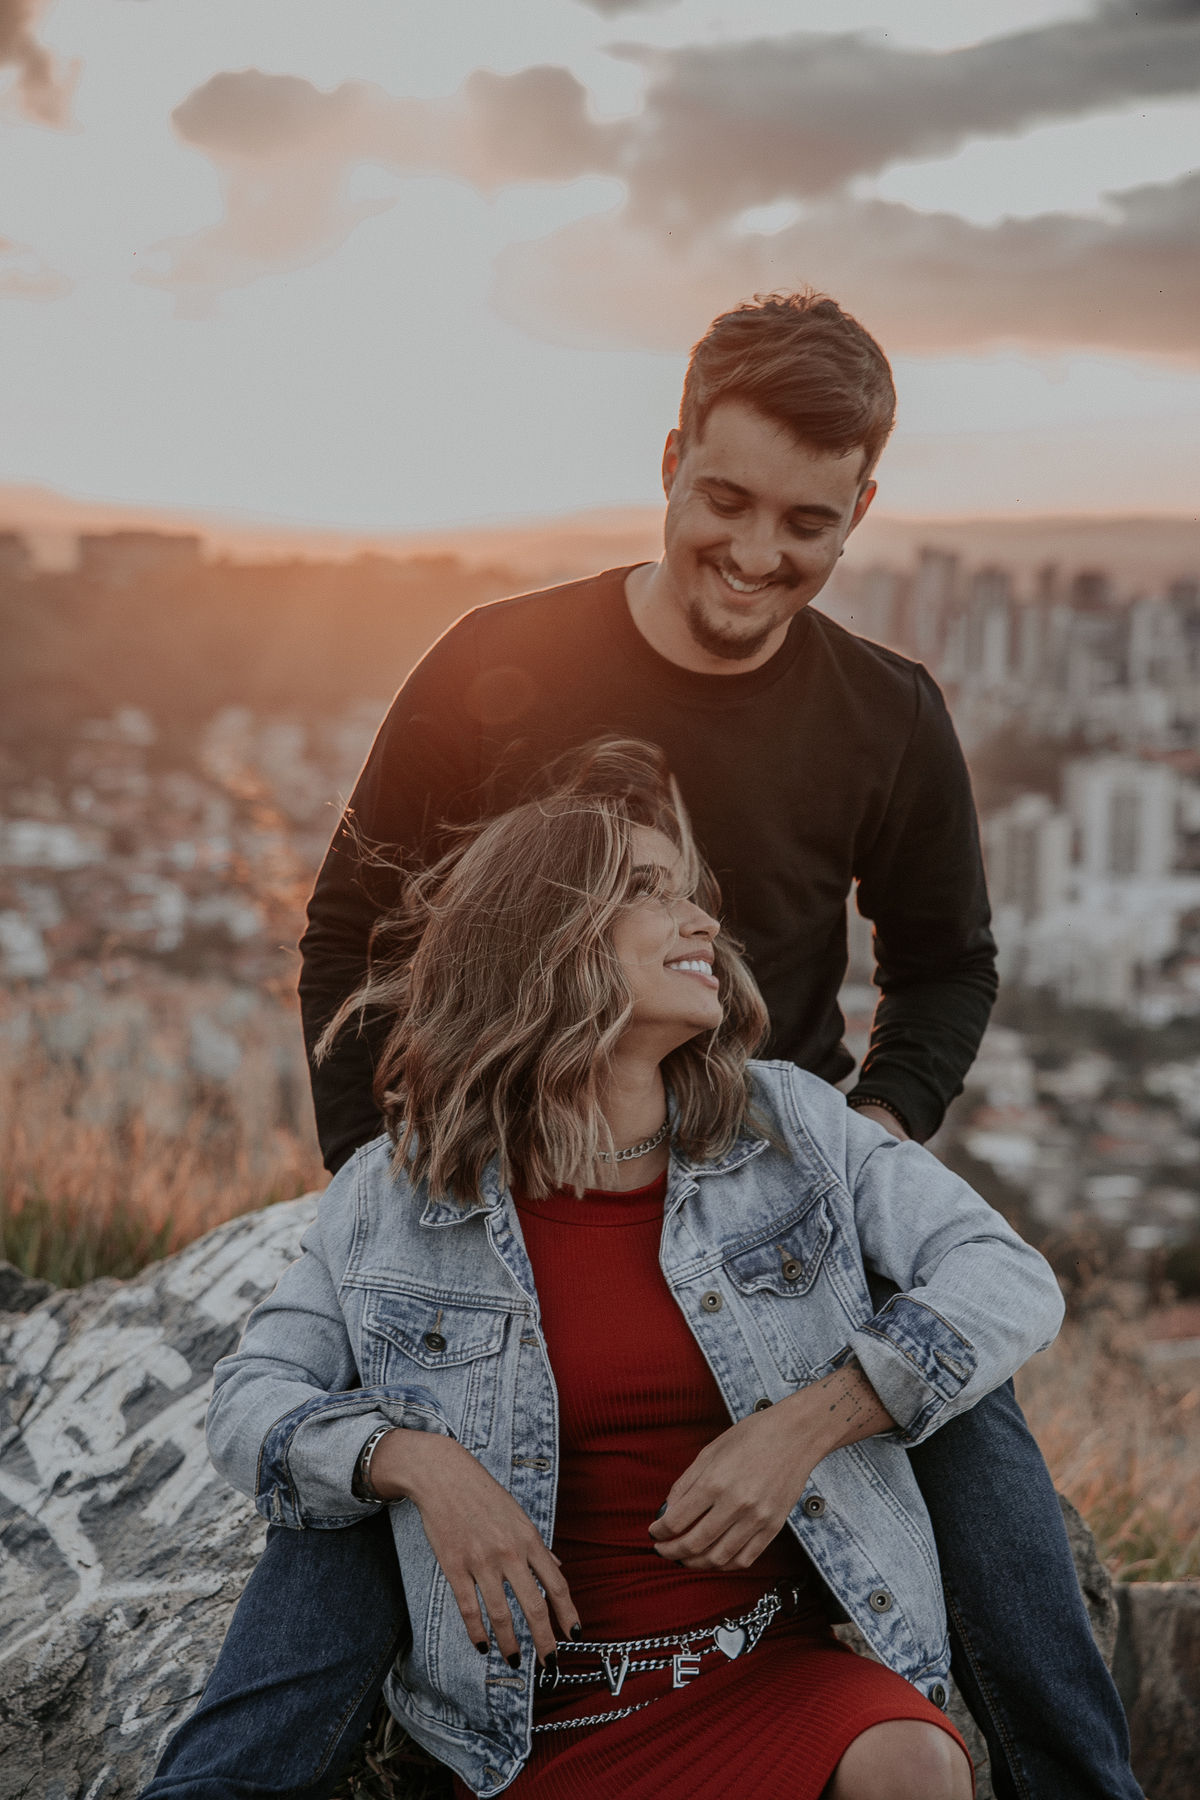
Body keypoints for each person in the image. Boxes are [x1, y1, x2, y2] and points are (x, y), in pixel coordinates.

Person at [291, 292, 1141, 1799]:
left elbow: (947, 964)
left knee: (990, 1485)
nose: (757, 555)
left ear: (863, 508)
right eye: (726, 501)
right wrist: (387, 1188)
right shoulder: (499, 655)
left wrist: (878, 1127)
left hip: (771, 1197)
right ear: (671, 456)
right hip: (501, 1175)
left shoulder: (889, 712)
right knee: (332, 1533)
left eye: (808, 522)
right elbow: (351, 924)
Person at [149, 745, 1066, 1799]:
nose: (703, 922)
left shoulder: (795, 1128)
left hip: (761, 1665)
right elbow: (247, 1404)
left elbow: (1006, 1277)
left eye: (693, 893)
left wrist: (806, 1424)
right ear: (544, 937)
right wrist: (416, 1463)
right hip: (527, 1712)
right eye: (648, 891)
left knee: (912, 1761)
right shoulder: (391, 1197)